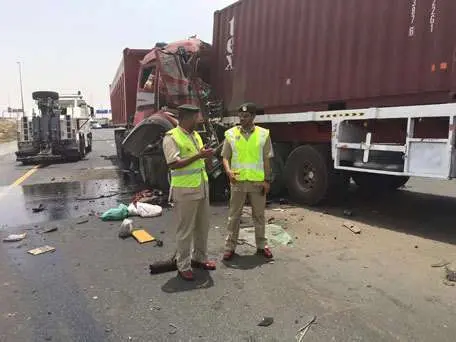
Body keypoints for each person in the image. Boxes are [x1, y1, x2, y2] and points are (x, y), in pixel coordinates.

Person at [162, 104, 216, 281]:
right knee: (185, 230)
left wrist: (207, 158)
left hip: (201, 186)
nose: (198, 121)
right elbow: (173, 163)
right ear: (185, 118)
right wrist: (199, 156)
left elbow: (200, 161)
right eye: (195, 118)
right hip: (184, 189)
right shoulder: (171, 137)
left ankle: (199, 258)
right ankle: (183, 265)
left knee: (203, 226)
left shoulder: (196, 136)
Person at [221, 102, 274, 261]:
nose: (242, 119)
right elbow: (225, 157)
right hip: (237, 181)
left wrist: (267, 180)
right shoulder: (230, 134)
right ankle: (230, 246)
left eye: (246, 116)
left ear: (253, 117)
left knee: (258, 215)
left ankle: (261, 245)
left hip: (257, 182)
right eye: (240, 116)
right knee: (234, 216)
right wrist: (228, 171)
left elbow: (266, 160)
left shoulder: (263, 134)